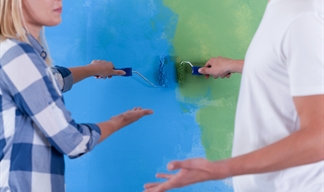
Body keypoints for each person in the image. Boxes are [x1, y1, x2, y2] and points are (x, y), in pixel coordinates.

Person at [144, 0, 323, 191]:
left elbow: (319, 137)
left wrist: (217, 169)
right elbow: (291, 67)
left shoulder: (303, 18)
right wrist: (232, 65)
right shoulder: (283, 9)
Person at [0, 0, 153, 191]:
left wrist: (93, 69)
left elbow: (51, 81)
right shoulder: (19, 57)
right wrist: (121, 120)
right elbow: (73, 142)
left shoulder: (13, 54)